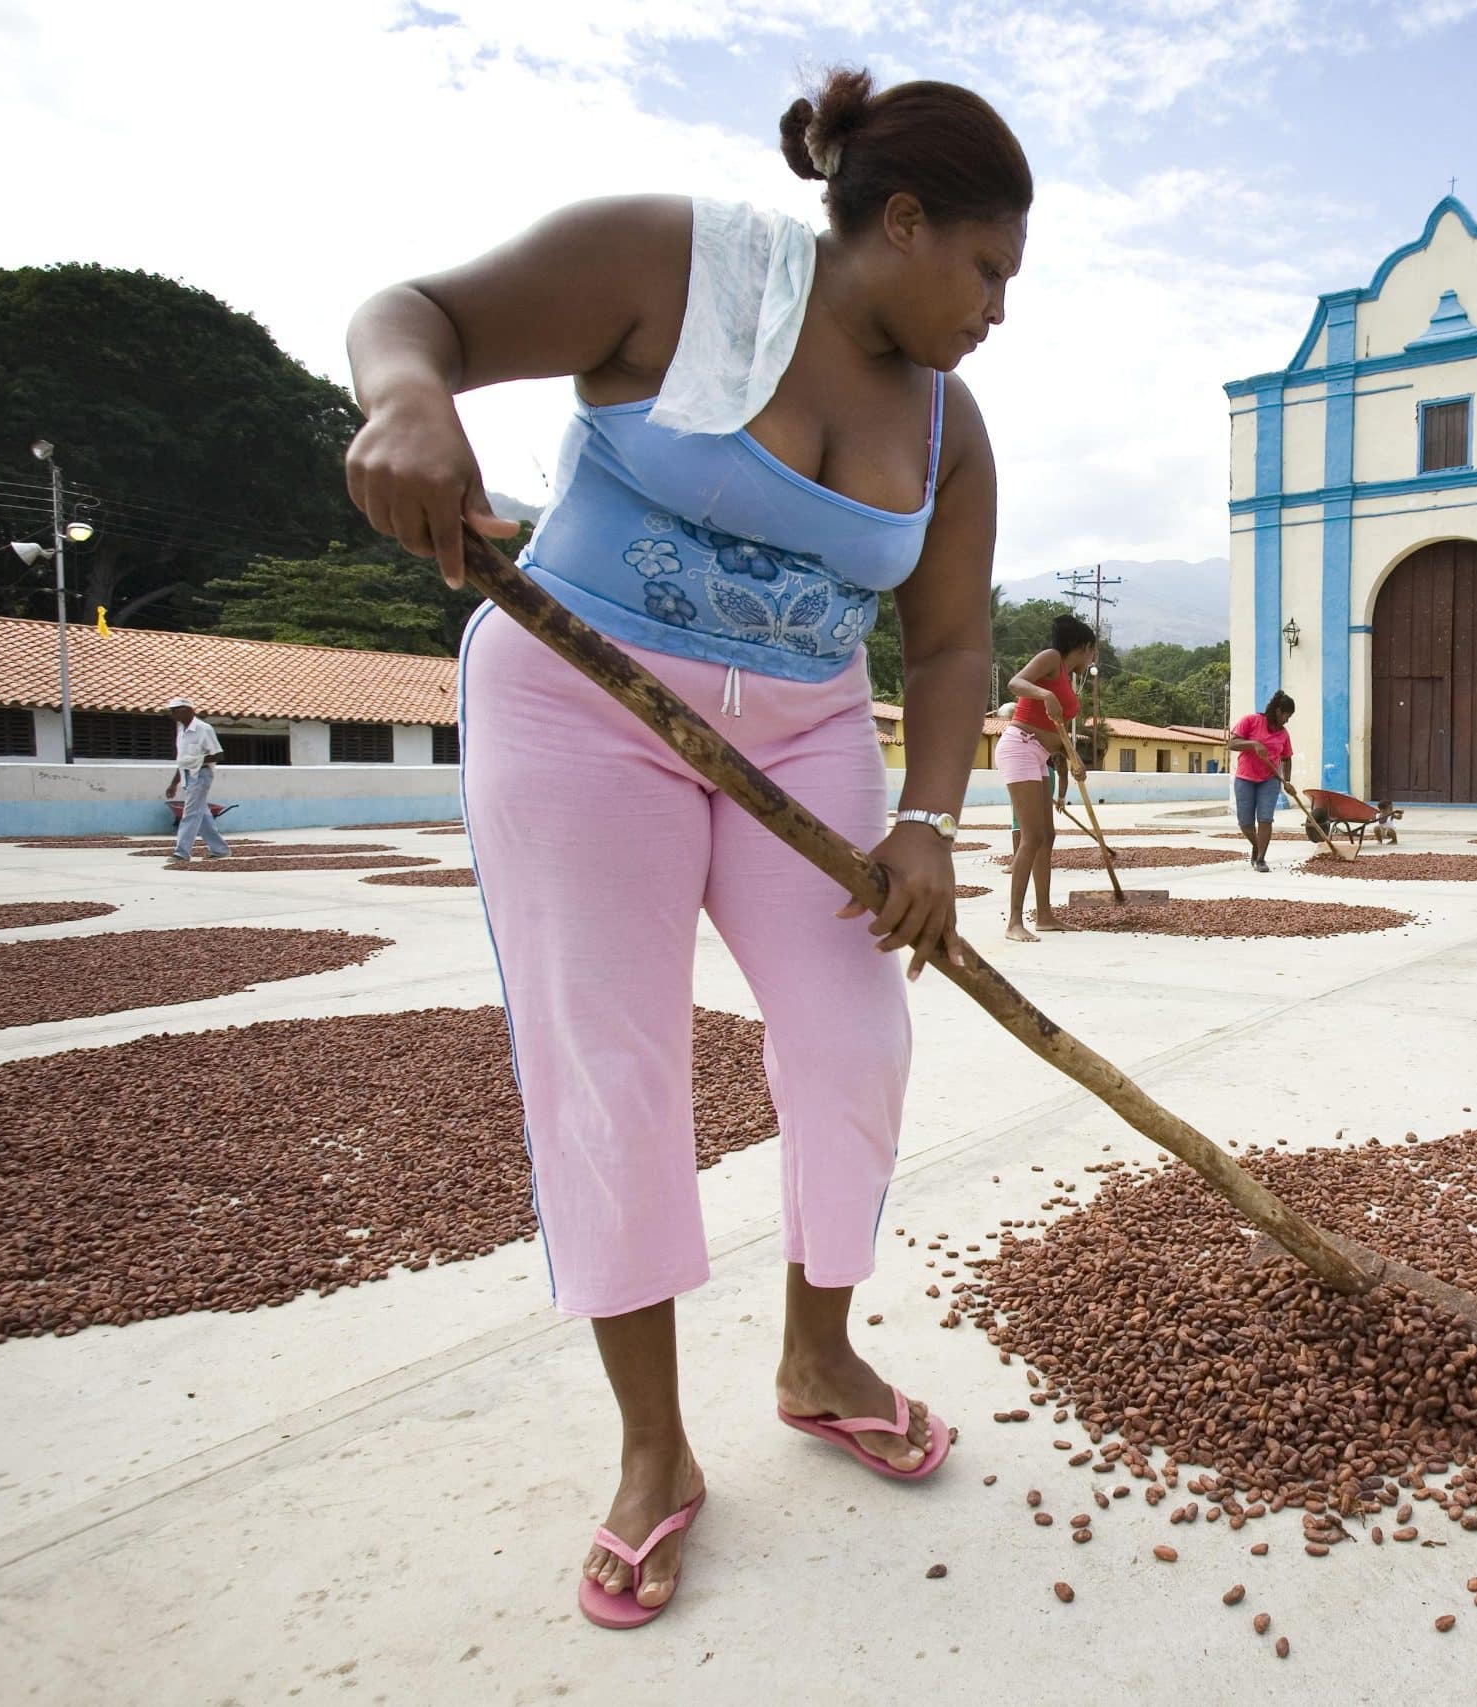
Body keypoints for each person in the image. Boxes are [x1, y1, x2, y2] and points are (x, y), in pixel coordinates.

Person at [342, 67, 1030, 1629]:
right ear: (901, 220)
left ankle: (817, 1348)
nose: (998, 309)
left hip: (802, 738)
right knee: (614, 1059)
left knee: (857, 1034)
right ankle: (655, 1449)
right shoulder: (674, 264)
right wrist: (408, 400)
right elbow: (415, 311)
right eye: (987, 269)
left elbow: (946, 646)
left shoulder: (950, 423)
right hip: (584, 703)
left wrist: (927, 817)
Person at [995, 613, 1095, 940]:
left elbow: (1058, 730)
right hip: (1019, 746)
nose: (1092, 659)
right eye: (1092, 652)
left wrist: (1073, 757)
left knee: (1047, 836)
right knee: (1031, 836)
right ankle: (1013, 922)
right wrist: (1044, 694)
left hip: (1039, 754)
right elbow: (1015, 683)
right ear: (1082, 647)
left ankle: (1045, 915)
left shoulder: (1066, 675)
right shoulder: (1051, 658)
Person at [1228, 691, 1295, 871]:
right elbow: (1232, 744)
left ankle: (1260, 859)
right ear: (1279, 711)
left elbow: (1287, 758)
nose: (1287, 720)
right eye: (1287, 716)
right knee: (1245, 823)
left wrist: (1286, 781)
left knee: (1265, 819)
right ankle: (1257, 845)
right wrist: (1254, 744)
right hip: (1245, 778)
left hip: (1270, 780)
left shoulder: (1284, 734)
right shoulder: (1251, 721)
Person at [162, 697, 230, 863]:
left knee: (190, 813)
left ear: (188, 710)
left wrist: (197, 761)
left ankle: (182, 852)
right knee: (203, 815)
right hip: (187, 775)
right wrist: (174, 783)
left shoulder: (203, 729)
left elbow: (219, 754)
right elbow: (182, 761)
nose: (172, 714)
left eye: (175, 710)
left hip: (201, 774)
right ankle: (220, 850)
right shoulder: (181, 731)